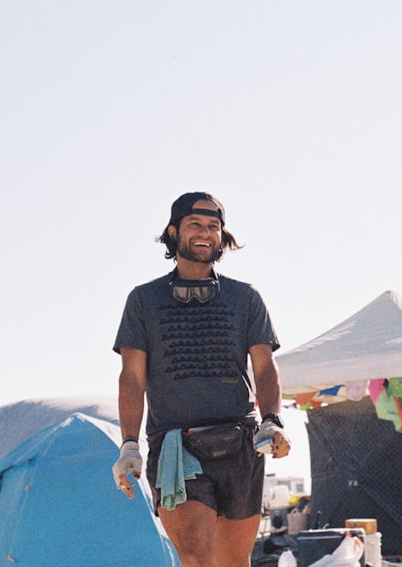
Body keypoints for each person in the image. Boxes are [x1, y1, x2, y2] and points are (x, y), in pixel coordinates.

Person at [112, 191, 291, 567]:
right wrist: (129, 444)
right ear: (173, 231)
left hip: (240, 443)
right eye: (195, 224)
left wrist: (272, 421)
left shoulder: (245, 298)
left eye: (214, 227)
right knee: (196, 558)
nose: (205, 233)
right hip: (177, 447)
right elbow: (132, 377)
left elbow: (264, 368)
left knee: (233, 562)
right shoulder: (144, 300)